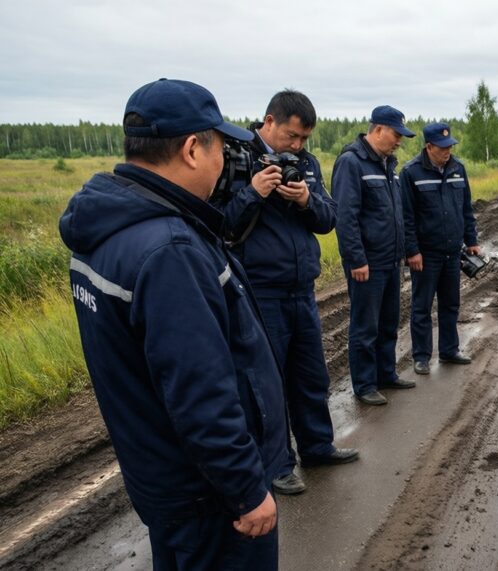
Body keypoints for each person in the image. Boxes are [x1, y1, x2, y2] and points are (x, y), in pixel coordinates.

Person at [59, 78, 287, 569]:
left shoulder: (104, 227)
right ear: (190, 149)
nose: (225, 161)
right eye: (220, 148)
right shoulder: (169, 250)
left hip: (163, 479)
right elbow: (198, 389)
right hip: (209, 498)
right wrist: (246, 490)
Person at [217, 90, 357, 496]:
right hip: (259, 290)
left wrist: (306, 200)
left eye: (303, 140)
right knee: (268, 381)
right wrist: (254, 192)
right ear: (269, 121)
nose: (297, 146)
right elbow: (219, 224)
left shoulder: (306, 164)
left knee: (310, 374)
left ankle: (317, 446)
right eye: (292, 137)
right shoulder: (236, 158)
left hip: (301, 287)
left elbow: (329, 219)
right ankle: (276, 464)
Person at [332, 106, 418, 406]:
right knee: (365, 326)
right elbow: (346, 217)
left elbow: (395, 215)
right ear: (378, 129)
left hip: (390, 260)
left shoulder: (387, 165)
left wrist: (405, 251)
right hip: (366, 263)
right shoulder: (351, 163)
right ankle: (365, 384)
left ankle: (386, 374)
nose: (399, 141)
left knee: (388, 322)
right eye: (396, 134)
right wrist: (356, 259)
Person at [399, 123, 480, 375]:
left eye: (450, 146)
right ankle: (421, 356)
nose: (448, 151)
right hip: (426, 254)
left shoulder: (458, 169)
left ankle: (449, 350)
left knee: (450, 304)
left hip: (452, 251)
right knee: (422, 306)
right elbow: (407, 217)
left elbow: (466, 209)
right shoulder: (411, 173)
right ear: (429, 146)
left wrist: (472, 240)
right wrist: (412, 251)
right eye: (443, 147)